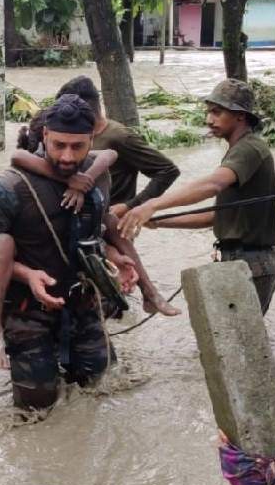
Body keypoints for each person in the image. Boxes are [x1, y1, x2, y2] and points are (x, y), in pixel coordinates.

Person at [0, 95, 138, 409]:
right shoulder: (11, 186)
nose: (67, 156)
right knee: (36, 410)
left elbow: (95, 231)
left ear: (92, 139)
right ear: (44, 136)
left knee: (105, 389)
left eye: (78, 146)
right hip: (28, 311)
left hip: (83, 305)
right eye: (59, 145)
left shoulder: (97, 176)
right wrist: (27, 274)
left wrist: (115, 256)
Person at [119, 79, 275, 314]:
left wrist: (153, 204)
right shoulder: (238, 151)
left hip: (251, 262)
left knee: (238, 342)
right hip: (238, 259)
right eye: (208, 112)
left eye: (217, 112)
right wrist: (159, 221)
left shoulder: (250, 149)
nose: (209, 120)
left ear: (240, 116)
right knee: (230, 341)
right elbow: (214, 218)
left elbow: (213, 184)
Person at [54, 76, 182, 316]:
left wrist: (131, 206)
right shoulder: (70, 139)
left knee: (109, 301)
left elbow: (167, 170)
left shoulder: (119, 137)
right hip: (83, 228)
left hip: (111, 228)